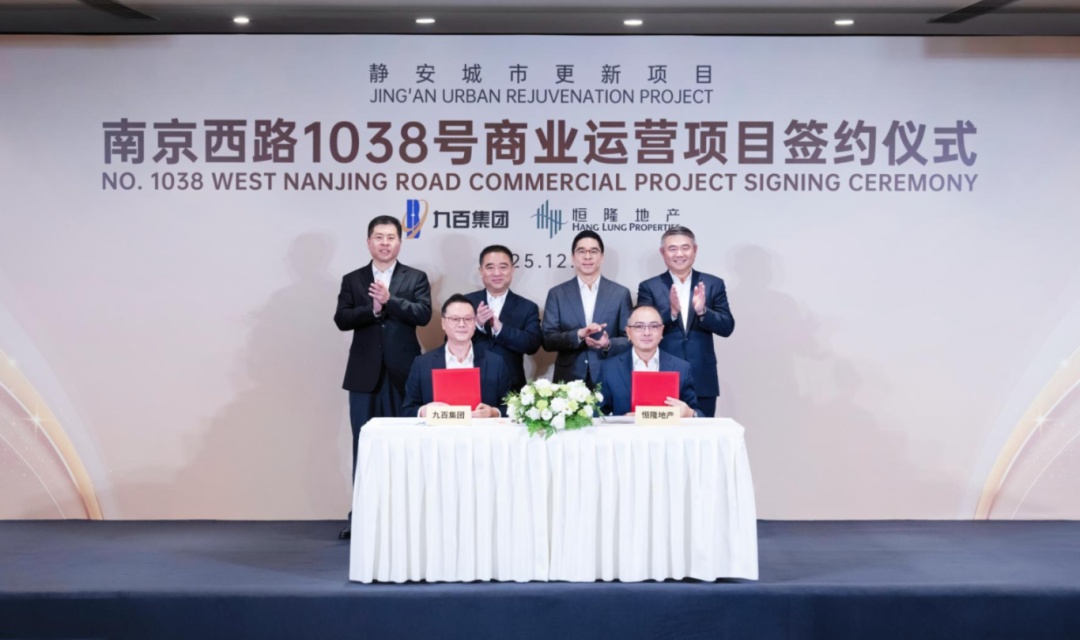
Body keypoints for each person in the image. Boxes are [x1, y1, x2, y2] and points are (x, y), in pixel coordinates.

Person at [334, 215, 431, 539]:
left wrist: (391, 301)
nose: (385, 243)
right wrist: (372, 310)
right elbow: (342, 319)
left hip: (404, 374)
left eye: (391, 237)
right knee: (364, 446)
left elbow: (423, 314)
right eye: (379, 237)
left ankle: (405, 517)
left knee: (405, 447)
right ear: (368, 242)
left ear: (399, 242)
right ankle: (361, 516)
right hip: (364, 376)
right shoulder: (353, 279)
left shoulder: (415, 277)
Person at [636, 226, 734, 417]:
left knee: (702, 431)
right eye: (672, 249)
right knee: (660, 432)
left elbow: (727, 327)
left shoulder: (713, 284)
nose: (679, 254)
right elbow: (641, 329)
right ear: (663, 252)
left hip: (702, 377)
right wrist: (671, 313)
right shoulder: (649, 287)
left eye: (685, 248)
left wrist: (703, 311)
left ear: (695, 250)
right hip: (662, 374)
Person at [542, 230, 633, 386]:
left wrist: (608, 344)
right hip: (569, 380)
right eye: (581, 251)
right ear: (573, 257)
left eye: (593, 251)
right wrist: (579, 334)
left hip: (609, 376)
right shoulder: (557, 294)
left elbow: (630, 338)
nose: (587, 256)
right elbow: (547, 340)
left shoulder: (620, 293)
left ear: (602, 257)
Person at [402, 294, 512, 418]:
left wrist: (493, 412)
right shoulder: (422, 363)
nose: (462, 324)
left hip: (480, 429)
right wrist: (423, 411)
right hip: (439, 430)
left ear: (474, 323)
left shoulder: (495, 363)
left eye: (468, 319)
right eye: (455, 319)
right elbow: (407, 410)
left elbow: (510, 408)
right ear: (443, 323)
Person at [596, 305, 703, 418]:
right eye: (639, 326)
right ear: (628, 332)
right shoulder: (609, 369)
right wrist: (622, 420)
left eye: (654, 326)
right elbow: (597, 414)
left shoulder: (681, 368)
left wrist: (690, 413)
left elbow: (699, 415)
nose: (647, 333)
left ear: (662, 331)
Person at [464, 245, 542, 393]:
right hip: (470, 383)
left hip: (511, 387)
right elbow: (449, 340)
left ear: (512, 270)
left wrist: (501, 329)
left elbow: (532, 345)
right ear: (480, 271)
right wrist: (477, 324)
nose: (497, 273)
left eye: (503, 267)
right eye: (490, 267)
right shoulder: (465, 303)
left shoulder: (527, 307)